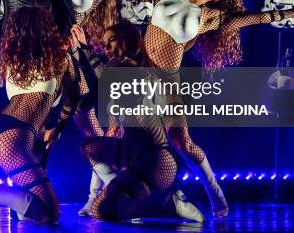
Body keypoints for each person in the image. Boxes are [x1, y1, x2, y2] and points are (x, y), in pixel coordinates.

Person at [127, 0, 294, 216]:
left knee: (182, 141)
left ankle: (215, 193)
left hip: (167, 83)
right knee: (127, 136)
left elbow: (255, 18)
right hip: (138, 76)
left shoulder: (210, 16)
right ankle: (109, 199)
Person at [0, 6, 88, 224]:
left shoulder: (13, 63)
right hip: (13, 138)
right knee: (50, 213)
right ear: (47, 30)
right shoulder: (60, 59)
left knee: (30, 213)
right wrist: (59, 126)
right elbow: (78, 96)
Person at [79, 21, 205, 222]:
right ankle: (135, 194)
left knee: (100, 211)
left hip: (154, 161)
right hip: (139, 157)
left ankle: (166, 205)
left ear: (128, 41)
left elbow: (104, 76)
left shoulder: (125, 66)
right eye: (103, 45)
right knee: (89, 147)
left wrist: (84, 49)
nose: (106, 49)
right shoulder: (138, 68)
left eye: (110, 41)